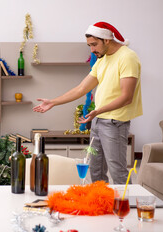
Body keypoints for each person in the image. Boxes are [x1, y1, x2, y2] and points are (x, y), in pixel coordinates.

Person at [33, 22, 142, 184]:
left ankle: (128, 206)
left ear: (106, 40)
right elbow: (82, 88)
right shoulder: (102, 60)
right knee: (95, 168)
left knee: (117, 170)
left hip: (115, 122)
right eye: (89, 45)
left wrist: (98, 111)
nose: (92, 49)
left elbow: (127, 97)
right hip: (98, 121)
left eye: (94, 44)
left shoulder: (127, 57)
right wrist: (53, 102)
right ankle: (100, 204)